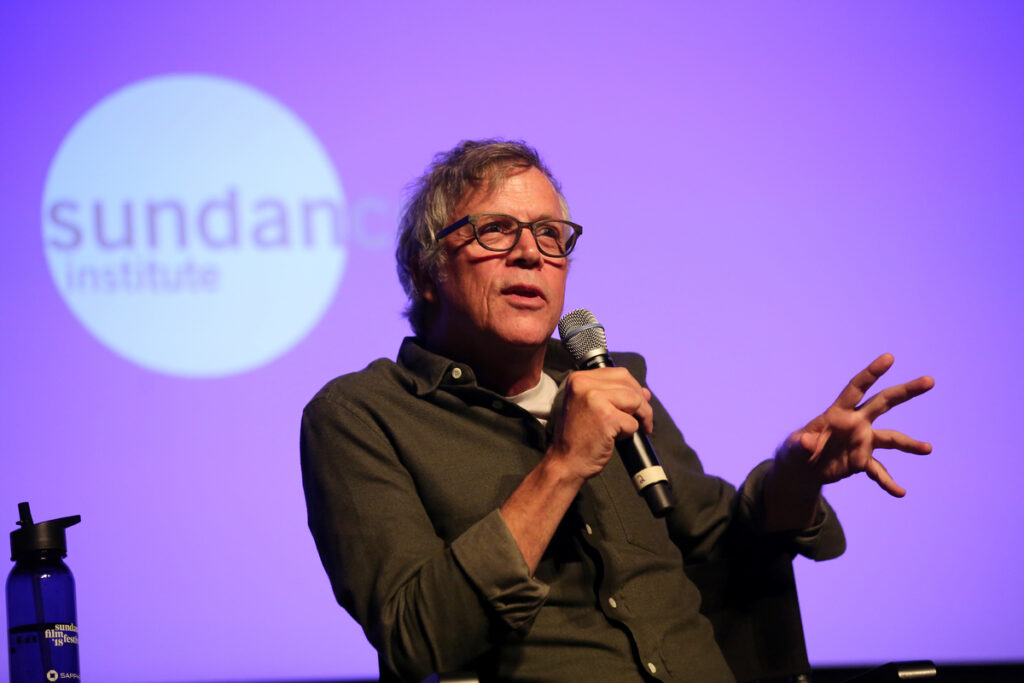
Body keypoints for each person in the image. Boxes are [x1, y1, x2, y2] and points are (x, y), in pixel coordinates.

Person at [300, 139, 934, 682]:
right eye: (496, 230)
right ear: (428, 269)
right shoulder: (361, 417)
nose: (531, 254)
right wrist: (564, 465)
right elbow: (415, 637)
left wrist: (795, 477)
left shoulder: (611, 379)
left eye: (551, 235)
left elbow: (724, 540)